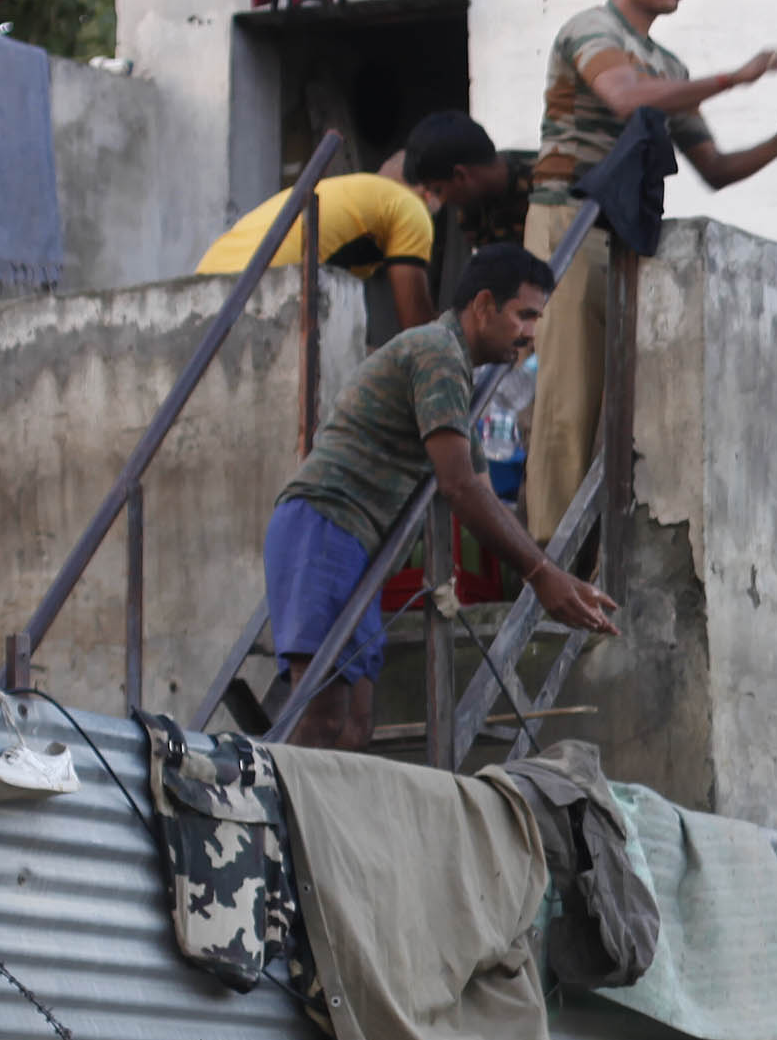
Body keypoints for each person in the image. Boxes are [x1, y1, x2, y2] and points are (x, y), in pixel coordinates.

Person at [524, 0, 777, 537]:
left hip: (625, 231)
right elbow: (625, 98)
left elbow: (713, 168)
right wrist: (733, 79)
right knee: (569, 399)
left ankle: (590, 560)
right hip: (569, 222)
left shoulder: (668, 63)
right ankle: (547, 565)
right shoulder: (593, 29)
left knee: (618, 405)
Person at [259, 243, 619, 751]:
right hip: (325, 526)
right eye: (525, 315)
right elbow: (459, 486)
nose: (531, 334)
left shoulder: (453, 379)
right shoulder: (437, 353)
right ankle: (271, 829)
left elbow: (484, 492)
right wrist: (542, 576)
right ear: (483, 305)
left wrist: (560, 579)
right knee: (321, 718)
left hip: (354, 545)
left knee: (354, 729)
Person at [198, 112, 512, 343]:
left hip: (203, 295)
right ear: (432, 189)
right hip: (257, 300)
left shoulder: (349, 193)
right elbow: (419, 331)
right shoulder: (410, 209)